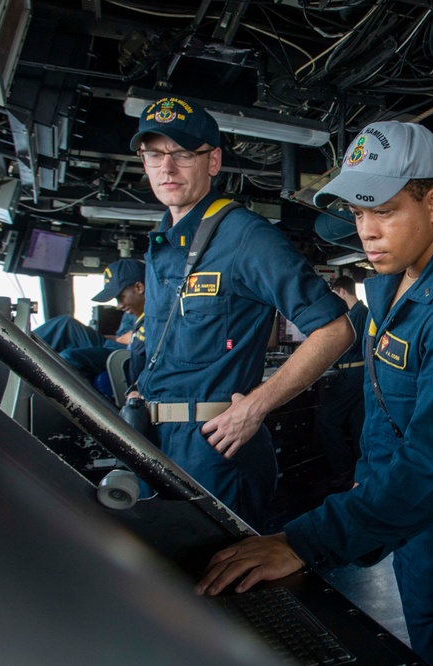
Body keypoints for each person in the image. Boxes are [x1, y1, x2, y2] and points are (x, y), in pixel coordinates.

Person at [195, 120, 433, 666]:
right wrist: (369, 476)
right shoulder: (395, 284)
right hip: (410, 514)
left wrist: (304, 541)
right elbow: (388, 406)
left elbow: (431, 463)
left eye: (385, 210)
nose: (366, 231)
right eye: (357, 213)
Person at [128, 97, 354, 530]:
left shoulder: (247, 237)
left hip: (215, 449)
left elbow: (335, 330)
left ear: (213, 161)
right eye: (154, 154)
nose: (167, 168)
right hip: (151, 440)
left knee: (207, 589)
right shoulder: (162, 242)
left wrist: (255, 408)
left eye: (182, 154)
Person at [33, 258, 145, 384]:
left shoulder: (158, 311)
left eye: (121, 297)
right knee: (65, 323)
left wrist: (129, 337)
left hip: (126, 354)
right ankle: (15, 351)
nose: (119, 306)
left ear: (139, 287)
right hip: (114, 344)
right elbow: (120, 338)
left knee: (68, 357)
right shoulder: (135, 308)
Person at [313, 275, 368, 486]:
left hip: (352, 376)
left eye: (335, 294)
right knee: (357, 425)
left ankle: (344, 469)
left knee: (326, 419)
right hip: (354, 376)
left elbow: (344, 344)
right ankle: (358, 473)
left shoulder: (359, 314)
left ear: (343, 291)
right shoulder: (356, 314)